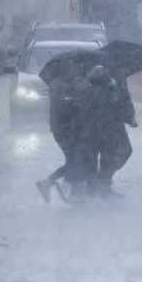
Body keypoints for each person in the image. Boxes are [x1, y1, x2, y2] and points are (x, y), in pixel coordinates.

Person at [75, 65, 138, 200]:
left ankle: (93, 189)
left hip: (89, 132)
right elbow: (120, 106)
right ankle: (102, 183)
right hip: (108, 132)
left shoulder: (83, 91)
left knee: (92, 160)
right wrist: (131, 118)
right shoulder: (110, 92)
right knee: (115, 154)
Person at [36, 60, 84, 203]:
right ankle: (56, 183)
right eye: (72, 69)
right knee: (75, 160)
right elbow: (65, 107)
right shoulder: (61, 86)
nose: (75, 72)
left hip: (61, 128)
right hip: (64, 129)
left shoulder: (60, 84)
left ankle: (54, 183)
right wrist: (77, 101)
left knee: (74, 159)